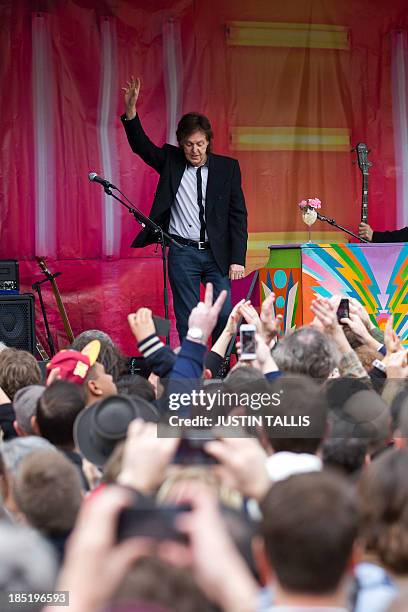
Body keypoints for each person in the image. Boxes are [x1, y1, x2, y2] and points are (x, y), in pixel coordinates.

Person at [121, 76, 248, 342]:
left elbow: (238, 216)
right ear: (181, 143)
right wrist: (131, 113)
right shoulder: (171, 161)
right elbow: (141, 147)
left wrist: (238, 258)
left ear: (208, 142)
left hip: (217, 254)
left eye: (200, 144)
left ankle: (221, 369)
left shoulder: (227, 168)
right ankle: (193, 371)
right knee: (188, 318)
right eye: (189, 144)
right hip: (182, 252)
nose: (195, 150)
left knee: (225, 314)